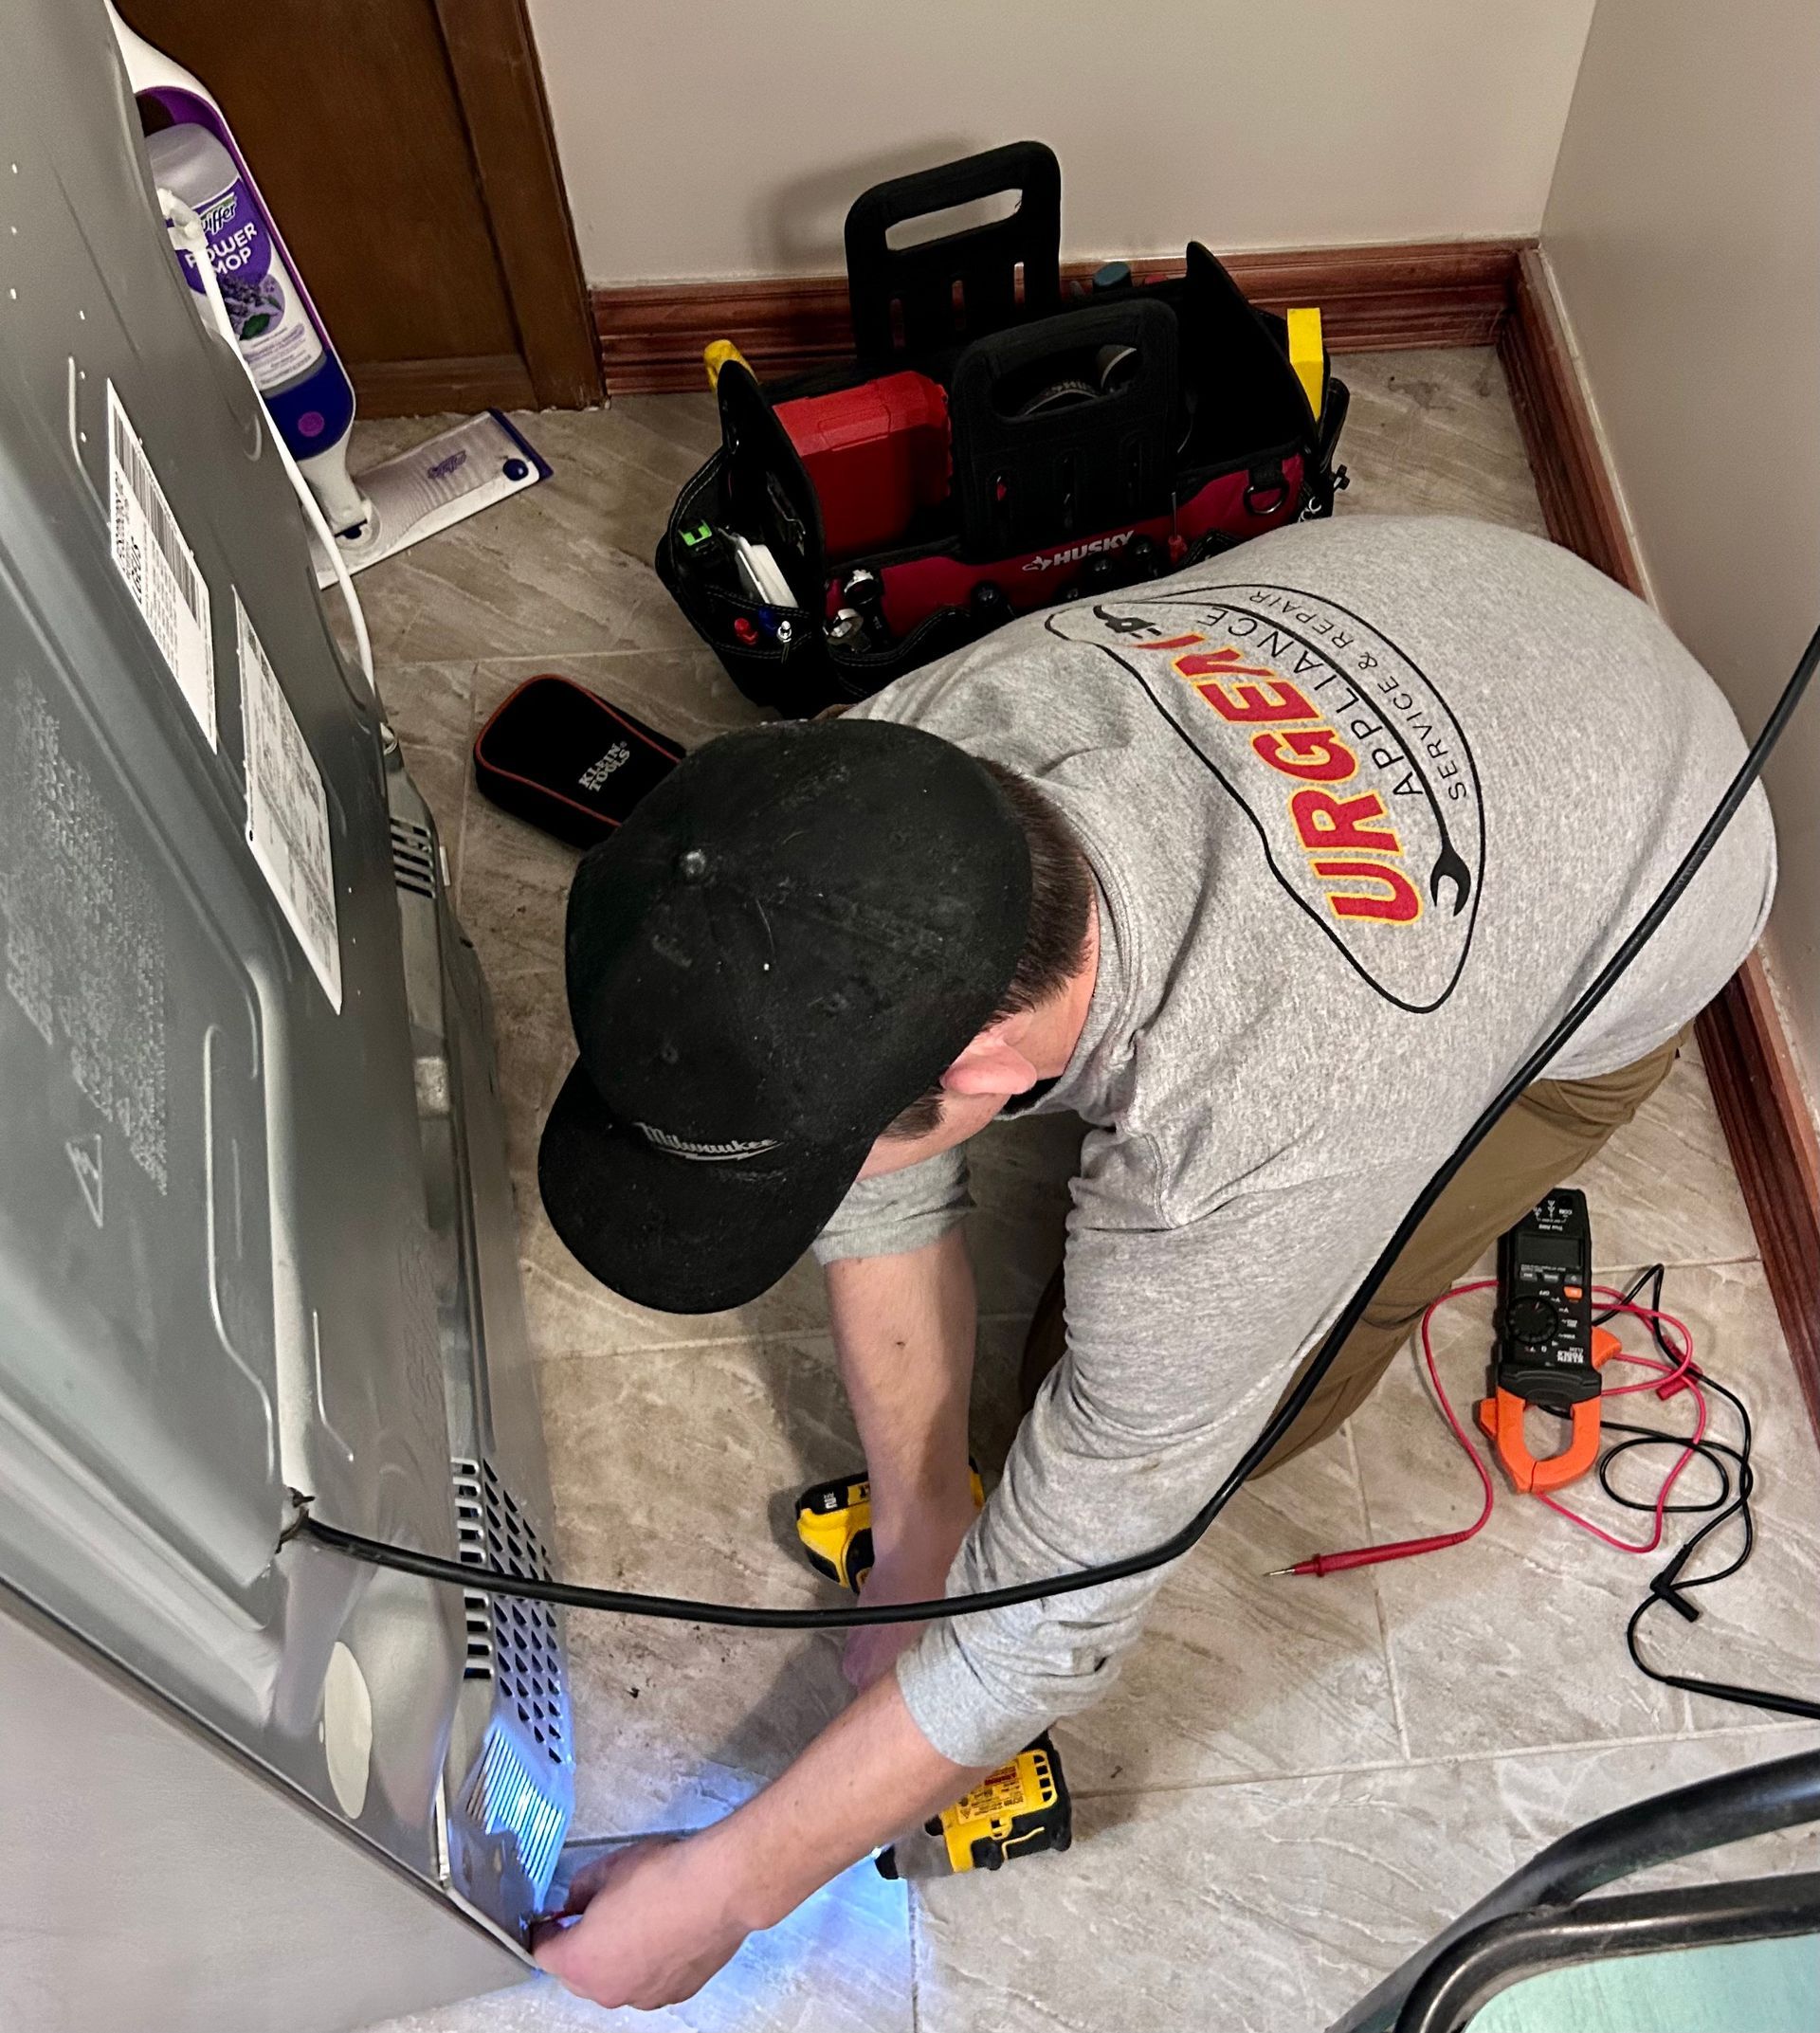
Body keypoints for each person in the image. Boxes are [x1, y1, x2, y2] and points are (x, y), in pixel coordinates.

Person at [530, 515, 1774, 2009]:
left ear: (985, 1061)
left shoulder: (1264, 1134)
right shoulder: (873, 777)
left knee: (1183, 1392)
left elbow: (1060, 1608)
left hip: (1652, 862)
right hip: (1489, 610)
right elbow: (861, 1150)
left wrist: (722, 1894)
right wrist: (925, 1525)